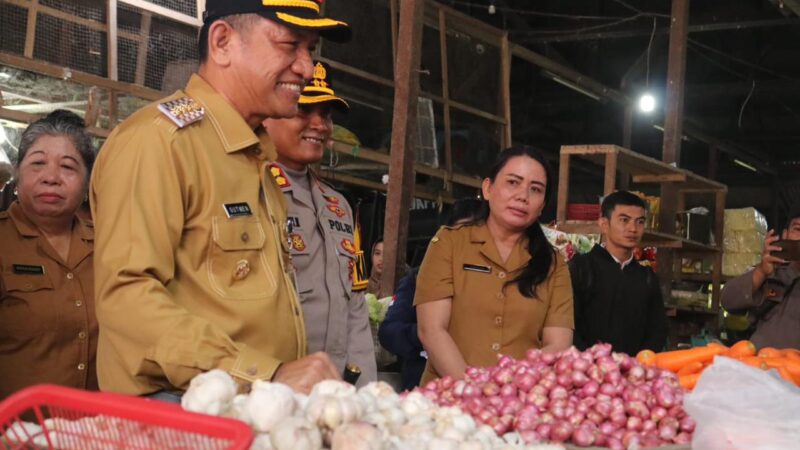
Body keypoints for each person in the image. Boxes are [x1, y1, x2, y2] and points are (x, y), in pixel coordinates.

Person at [90, 0, 351, 397]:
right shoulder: (159, 143)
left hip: (249, 408)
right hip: (180, 413)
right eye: (290, 44)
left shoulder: (256, 158)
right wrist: (264, 375)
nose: (307, 67)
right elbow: (126, 299)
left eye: (310, 49)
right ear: (223, 42)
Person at [415, 146, 574, 384]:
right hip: (447, 396)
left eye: (535, 189)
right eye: (513, 182)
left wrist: (510, 389)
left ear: (542, 205)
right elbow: (431, 330)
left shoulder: (554, 264)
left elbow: (558, 345)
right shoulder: (449, 242)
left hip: (518, 398)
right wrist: (473, 389)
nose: (523, 196)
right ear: (488, 188)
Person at [263, 61, 376, 386]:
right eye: (304, 110)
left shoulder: (337, 205)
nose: (320, 125)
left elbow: (355, 306)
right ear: (269, 116)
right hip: (271, 387)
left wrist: (365, 392)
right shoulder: (253, 190)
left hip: (333, 389)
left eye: (325, 115)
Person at [0, 110, 97, 399]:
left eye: (67, 167)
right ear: (17, 174)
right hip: (17, 423)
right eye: (38, 163)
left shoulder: (108, 243)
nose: (51, 177)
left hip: (97, 422)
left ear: (87, 182)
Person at [379, 198, 485, 391]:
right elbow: (389, 333)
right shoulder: (419, 278)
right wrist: (428, 333)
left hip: (483, 390)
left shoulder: (499, 282)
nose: (468, 242)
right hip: (424, 390)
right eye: (461, 232)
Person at [569, 191, 668, 355]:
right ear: (604, 224)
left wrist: (639, 363)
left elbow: (658, 329)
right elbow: (567, 326)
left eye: (640, 222)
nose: (633, 229)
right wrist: (590, 361)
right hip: (587, 366)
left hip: (635, 367)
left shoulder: (647, 277)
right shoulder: (581, 268)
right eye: (624, 220)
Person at [721, 207, 800, 350]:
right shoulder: (772, 272)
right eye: (798, 229)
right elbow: (728, 301)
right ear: (785, 235)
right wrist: (761, 272)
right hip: (759, 361)